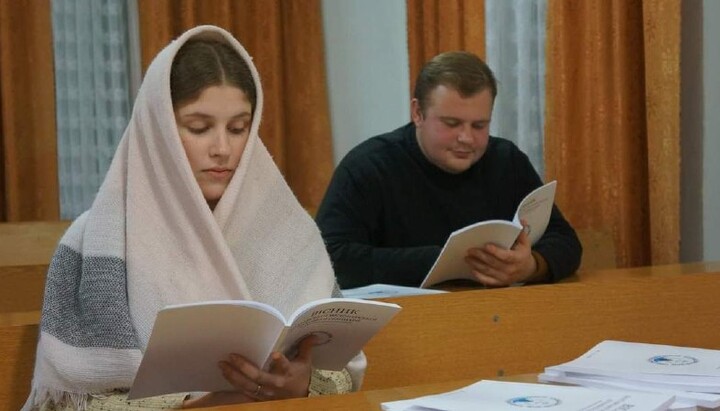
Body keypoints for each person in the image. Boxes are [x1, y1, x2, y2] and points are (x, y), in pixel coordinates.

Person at [23, 25, 364, 410]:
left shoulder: (290, 230)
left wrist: (303, 388)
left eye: (239, 128)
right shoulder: (97, 241)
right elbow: (75, 401)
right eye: (199, 128)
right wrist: (201, 405)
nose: (223, 148)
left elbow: (340, 366)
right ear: (160, 129)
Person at [316, 51, 582, 289]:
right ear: (418, 113)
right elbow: (329, 259)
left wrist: (531, 266)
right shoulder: (368, 167)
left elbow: (566, 241)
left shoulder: (506, 161)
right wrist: (447, 261)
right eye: (452, 123)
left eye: (479, 126)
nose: (466, 138)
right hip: (405, 319)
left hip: (496, 314)